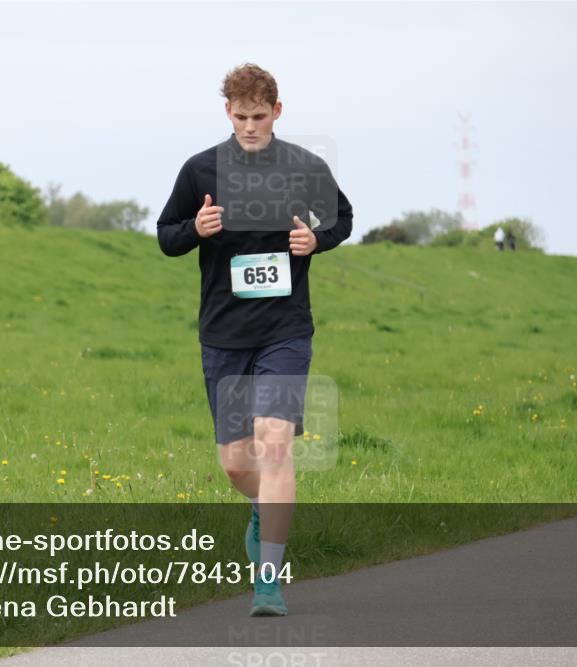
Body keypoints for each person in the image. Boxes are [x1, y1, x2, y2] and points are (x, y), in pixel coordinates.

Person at [156, 63, 353, 617]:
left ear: (277, 112)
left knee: (275, 443)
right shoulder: (200, 170)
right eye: (240, 116)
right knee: (238, 465)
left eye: (259, 116)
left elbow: (343, 217)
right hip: (223, 333)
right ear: (227, 113)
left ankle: (268, 579)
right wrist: (195, 230)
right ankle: (263, 508)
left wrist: (316, 239)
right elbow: (166, 236)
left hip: (285, 330)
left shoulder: (303, 166)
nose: (249, 126)